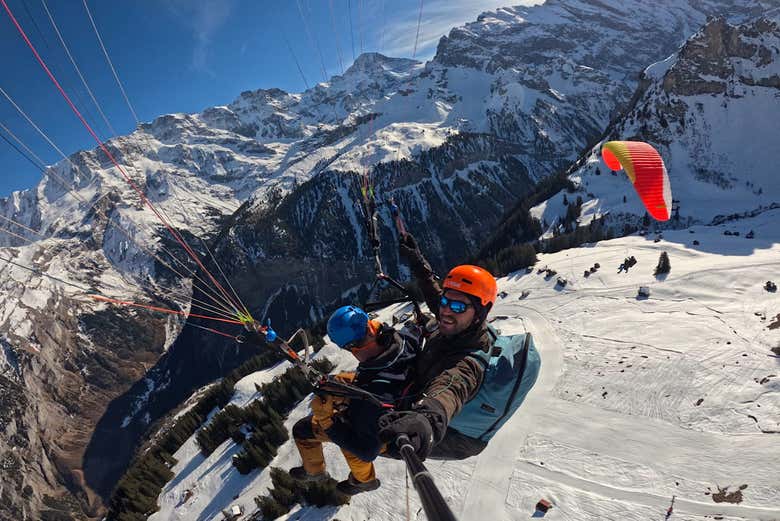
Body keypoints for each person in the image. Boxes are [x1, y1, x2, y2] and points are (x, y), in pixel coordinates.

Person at [377, 233, 498, 460]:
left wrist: (428, 418)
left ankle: (360, 481)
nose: (446, 311)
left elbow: (451, 388)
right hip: (417, 389)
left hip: (450, 436)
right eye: (446, 301)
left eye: (459, 306)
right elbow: (435, 296)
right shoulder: (456, 323)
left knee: (369, 437)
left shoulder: (470, 361)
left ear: (480, 314)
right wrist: (417, 261)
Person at [289, 305, 420, 495]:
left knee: (303, 430)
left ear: (351, 347)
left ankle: (359, 480)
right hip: (397, 387)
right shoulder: (402, 339)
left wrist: (327, 421)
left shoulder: (370, 401)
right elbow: (416, 328)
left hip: (384, 426)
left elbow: (366, 451)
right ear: (371, 326)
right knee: (338, 383)